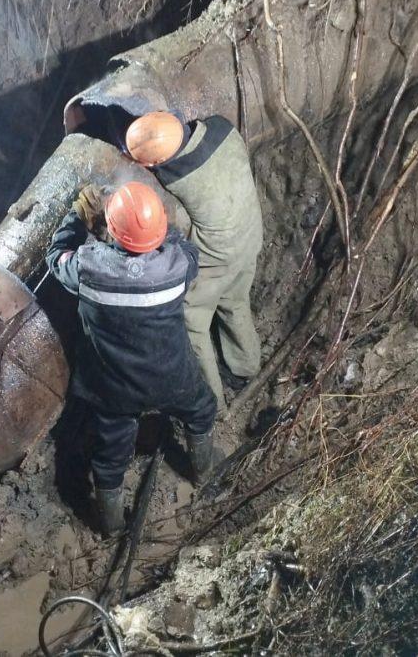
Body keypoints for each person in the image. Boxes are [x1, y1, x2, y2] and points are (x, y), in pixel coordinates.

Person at [46, 181, 217, 535]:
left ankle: (111, 526)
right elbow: (188, 250)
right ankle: (204, 472)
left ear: (111, 229)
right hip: (172, 376)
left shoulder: (88, 267)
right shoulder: (177, 265)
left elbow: (56, 255)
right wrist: (162, 227)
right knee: (202, 410)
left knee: (109, 457)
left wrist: (77, 217)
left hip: (115, 389)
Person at [124, 111, 263, 408]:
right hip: (251, 234)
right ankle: (246, 367)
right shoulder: (223, 128)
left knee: (192, 321)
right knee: (236, 300)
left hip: (221, 258)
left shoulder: (177, 178)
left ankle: (211, 403)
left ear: (156, 163)